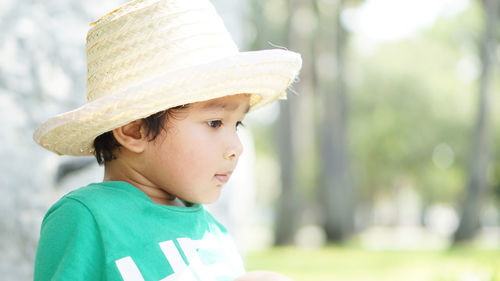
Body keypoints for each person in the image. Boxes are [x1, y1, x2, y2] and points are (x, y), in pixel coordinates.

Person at [32, 0, 301, 280]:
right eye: (214, 123)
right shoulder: (86, 218)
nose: (236, 147)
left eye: (238, 125)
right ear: (135, 131)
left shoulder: (214, 234)